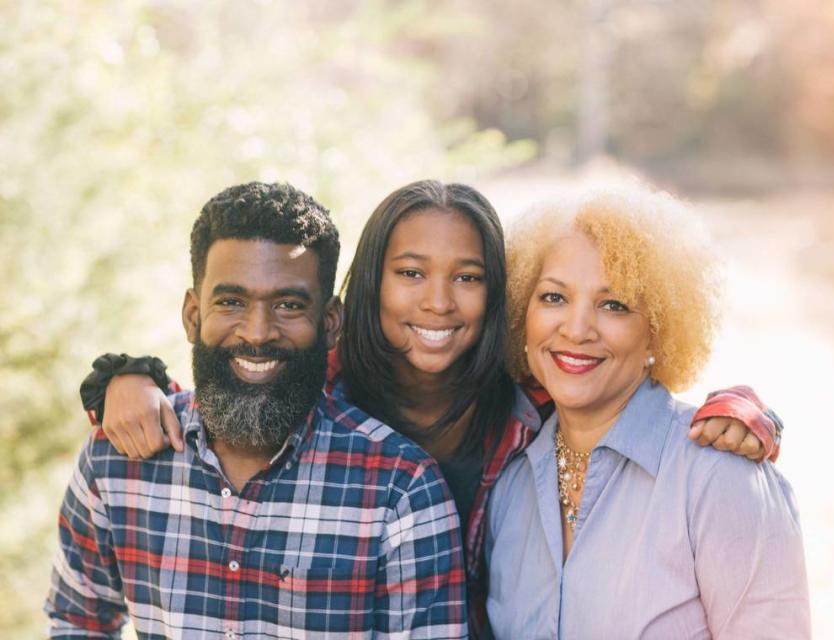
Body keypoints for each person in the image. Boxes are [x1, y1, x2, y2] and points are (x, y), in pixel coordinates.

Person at [79, 180, 785, 637]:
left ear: (496, 297)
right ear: (362, 292)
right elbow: (238, 364)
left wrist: (743, 409)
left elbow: (618, 381)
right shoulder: (316, 390)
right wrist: (124, 379)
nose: (438, 303)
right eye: (410, 273)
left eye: (468, 278)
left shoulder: (529, 406)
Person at [47, 182, 466, 638]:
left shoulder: (402, 489)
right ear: (193, 315)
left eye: (288, 305)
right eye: (231, 302)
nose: (258, 331)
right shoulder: (114, 461)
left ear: (330, 323)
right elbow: (77, 622)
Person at [486, 186, 810, 638]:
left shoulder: (719, 479)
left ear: (657, 331)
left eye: (613, 305)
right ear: (523, 313)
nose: (576, 329)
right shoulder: (508, 488)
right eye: (554, 298)